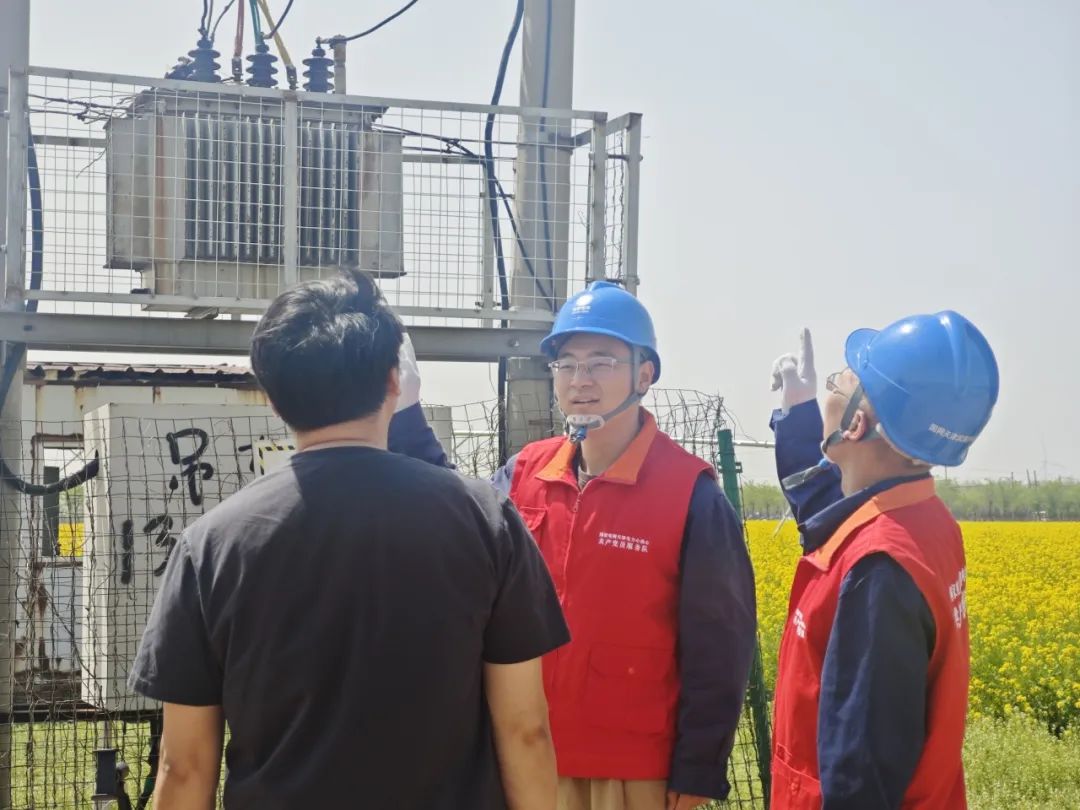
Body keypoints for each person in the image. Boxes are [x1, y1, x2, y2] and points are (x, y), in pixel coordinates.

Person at [129, 270, 570, 810]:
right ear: (394, 382)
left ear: (272, 398)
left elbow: (184, 767)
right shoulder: (486, 519)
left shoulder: (211, 546)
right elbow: (525, 730)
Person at [394, 280, 758, 810]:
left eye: (601, 363)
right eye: (565, 364)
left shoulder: (692, 495)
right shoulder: (525, 472)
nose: (579, 380)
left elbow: (720, 646)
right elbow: (458, 518)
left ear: (645, 375)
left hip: (631, 771)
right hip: (523, 756)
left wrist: (699, 767)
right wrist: (407, 420)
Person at [767, 312, 999, 809]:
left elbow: (861, 774)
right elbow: (834, 512)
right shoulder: (923, 520)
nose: (831, 383)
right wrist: (799, 418)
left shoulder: (877, 568)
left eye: (841, 380)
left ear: (856, 424)